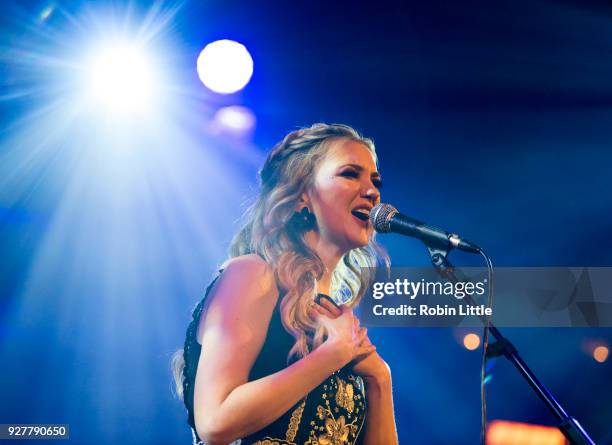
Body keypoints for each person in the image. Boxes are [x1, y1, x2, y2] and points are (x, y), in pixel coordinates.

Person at [172, 123, 399, 445]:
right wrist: (332, 356)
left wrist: (379, 379)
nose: (372, 191)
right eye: (350, 174)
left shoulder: (336, 319)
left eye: (376, 180)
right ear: (302, 197)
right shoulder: (252, 275)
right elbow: (215, 421)